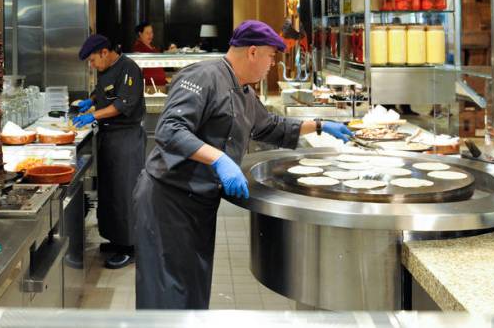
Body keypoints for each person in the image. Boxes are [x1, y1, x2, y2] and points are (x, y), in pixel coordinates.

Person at [133, 20, 353, 309]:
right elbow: (170, 130)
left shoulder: (245, 93)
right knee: (165, 293)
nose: (272, 65)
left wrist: (321, 125)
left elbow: (270, 126)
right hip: (167, 200)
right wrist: (220, 159)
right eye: (271, 57)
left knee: (191, 291)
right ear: (252, 52)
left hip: (197, 204)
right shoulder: (203, 76)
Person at [73, 34, 147, 269]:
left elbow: (122, 104)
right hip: (108, 138)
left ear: (105, 52)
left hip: (125, 138)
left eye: (93, 60)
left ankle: (130, 247)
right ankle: (116, 239)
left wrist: (92, 115)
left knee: (125, 193)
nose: (92, 65)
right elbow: (104, 92)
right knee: (110, 192)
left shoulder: (129, 68)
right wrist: (91, 101)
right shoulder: (108, 68)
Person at [131, 22, 167, 87]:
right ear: (140, 34)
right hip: (149, 86)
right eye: (147, 33)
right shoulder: (138, 48)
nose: (150, 35)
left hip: (160, 84)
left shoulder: (152, 47)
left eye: (151, 32)